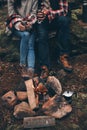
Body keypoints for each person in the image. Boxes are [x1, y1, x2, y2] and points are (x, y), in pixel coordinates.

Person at [37, 0, 73, 73]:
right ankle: (45, 66)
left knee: (64, 21)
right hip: (41, 20)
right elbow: (31, 9)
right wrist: (37, 15)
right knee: (42, 35)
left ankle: (63, 56)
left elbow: (64, 11)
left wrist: (49, 13)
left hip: (55, 18)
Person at [7, 0, 38, 79]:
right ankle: (22, 65)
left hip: (29, 25)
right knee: (26, 35)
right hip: (15, 25)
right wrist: (19, 24)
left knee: (31, 44)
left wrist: (28, 24)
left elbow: (34, 13)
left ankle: (31, 69)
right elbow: (11, 14)